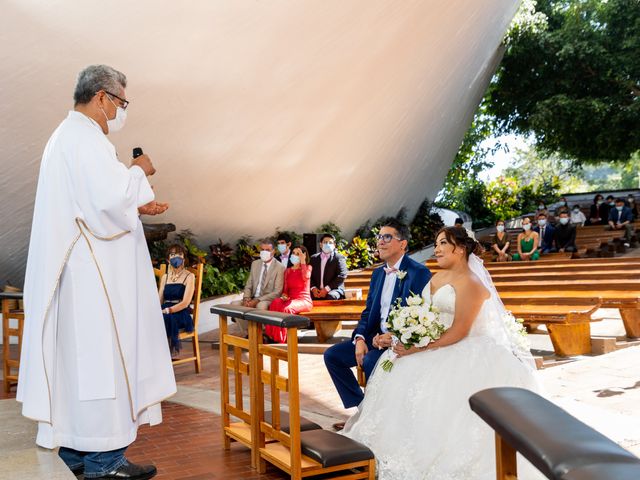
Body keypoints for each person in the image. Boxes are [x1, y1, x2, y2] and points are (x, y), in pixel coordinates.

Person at [17, 65, 175, 480]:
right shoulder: (85, 139)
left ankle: (82, 456)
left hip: (79, 274)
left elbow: (93, 203)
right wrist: (142, 170)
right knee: (101, 364)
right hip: (93, 280)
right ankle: (103, 463)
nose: (121, 112)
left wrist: (136, 206)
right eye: (121, 103)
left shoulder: (65, 137)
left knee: (82, 369)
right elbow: (107, 202)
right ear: (102, 97)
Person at [341, 227, 539, 479]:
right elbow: (423, 317)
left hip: (460, 350)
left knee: (432, 394)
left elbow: (459, 331)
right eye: (436, 243)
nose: (436, 249)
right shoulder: (436, 278)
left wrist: (418, 347)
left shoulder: (472, 283)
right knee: (395, 376)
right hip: (431, 342)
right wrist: (399, 335)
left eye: (443, 243)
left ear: (460, 248)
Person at [324, 219, 431, 422]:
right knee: (333, 356)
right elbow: (367, 313)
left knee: (372, 360)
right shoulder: (377, 274)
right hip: (373, 338)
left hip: (400, 341)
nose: (380, 242)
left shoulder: (419, 273)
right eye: (379, 237)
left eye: (387, 237)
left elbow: (419, 315)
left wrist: (393, 337)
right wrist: (361, 338)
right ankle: (364, 409)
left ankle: (386, 416)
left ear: (403, 243)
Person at [230, 239, 285, 337]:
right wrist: (246, 298)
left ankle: (264, 334)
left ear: (273, 251)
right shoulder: (255, 264)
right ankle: (249, 333)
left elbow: (277, 292)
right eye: (262, 250)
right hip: (252, 297)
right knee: (234, 305)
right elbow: (249, 285)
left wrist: (257, 300)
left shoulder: (279, 267)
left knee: (261, 306)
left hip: (267, 299)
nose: (264, 252)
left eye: (267, 250)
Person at [265, 245, 313, 343]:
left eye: (297, 254)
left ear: (303, 256)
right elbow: (285, 289)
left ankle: (282, 338)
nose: (294, 255)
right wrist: (284, 295)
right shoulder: (288, 270)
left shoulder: (308, 267)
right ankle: (271, 335)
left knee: (286, 309)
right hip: (290, 299)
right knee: (275, 303)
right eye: (293, 253)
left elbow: (305, 277)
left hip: (303, 300)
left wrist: (303, 261)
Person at [158, 245, 195, 358]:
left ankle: (164, 357)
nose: (176, 257)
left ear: (184, 258)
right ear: (168, 259)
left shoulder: (189, 276)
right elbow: (160, 299)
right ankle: (154, 356)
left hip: (180, 311)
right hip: (165, 308)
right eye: (172, 255)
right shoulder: (165, 277)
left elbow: (186, 302)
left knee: (165, 318)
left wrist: (169, 310)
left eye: (179, 254)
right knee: (150, 318)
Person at [310, 233, 348, 300]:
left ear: (334, 245)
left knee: (331, 296)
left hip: (334, 289)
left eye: (330, 242)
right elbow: (309, 275)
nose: (327, 244)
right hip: (317, 290)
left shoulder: (339, 258)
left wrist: (326, 289)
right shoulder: (314, 258)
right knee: (306, 296)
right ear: (320, 244)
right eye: (325, 242)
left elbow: (342, 275)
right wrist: (313, 288)